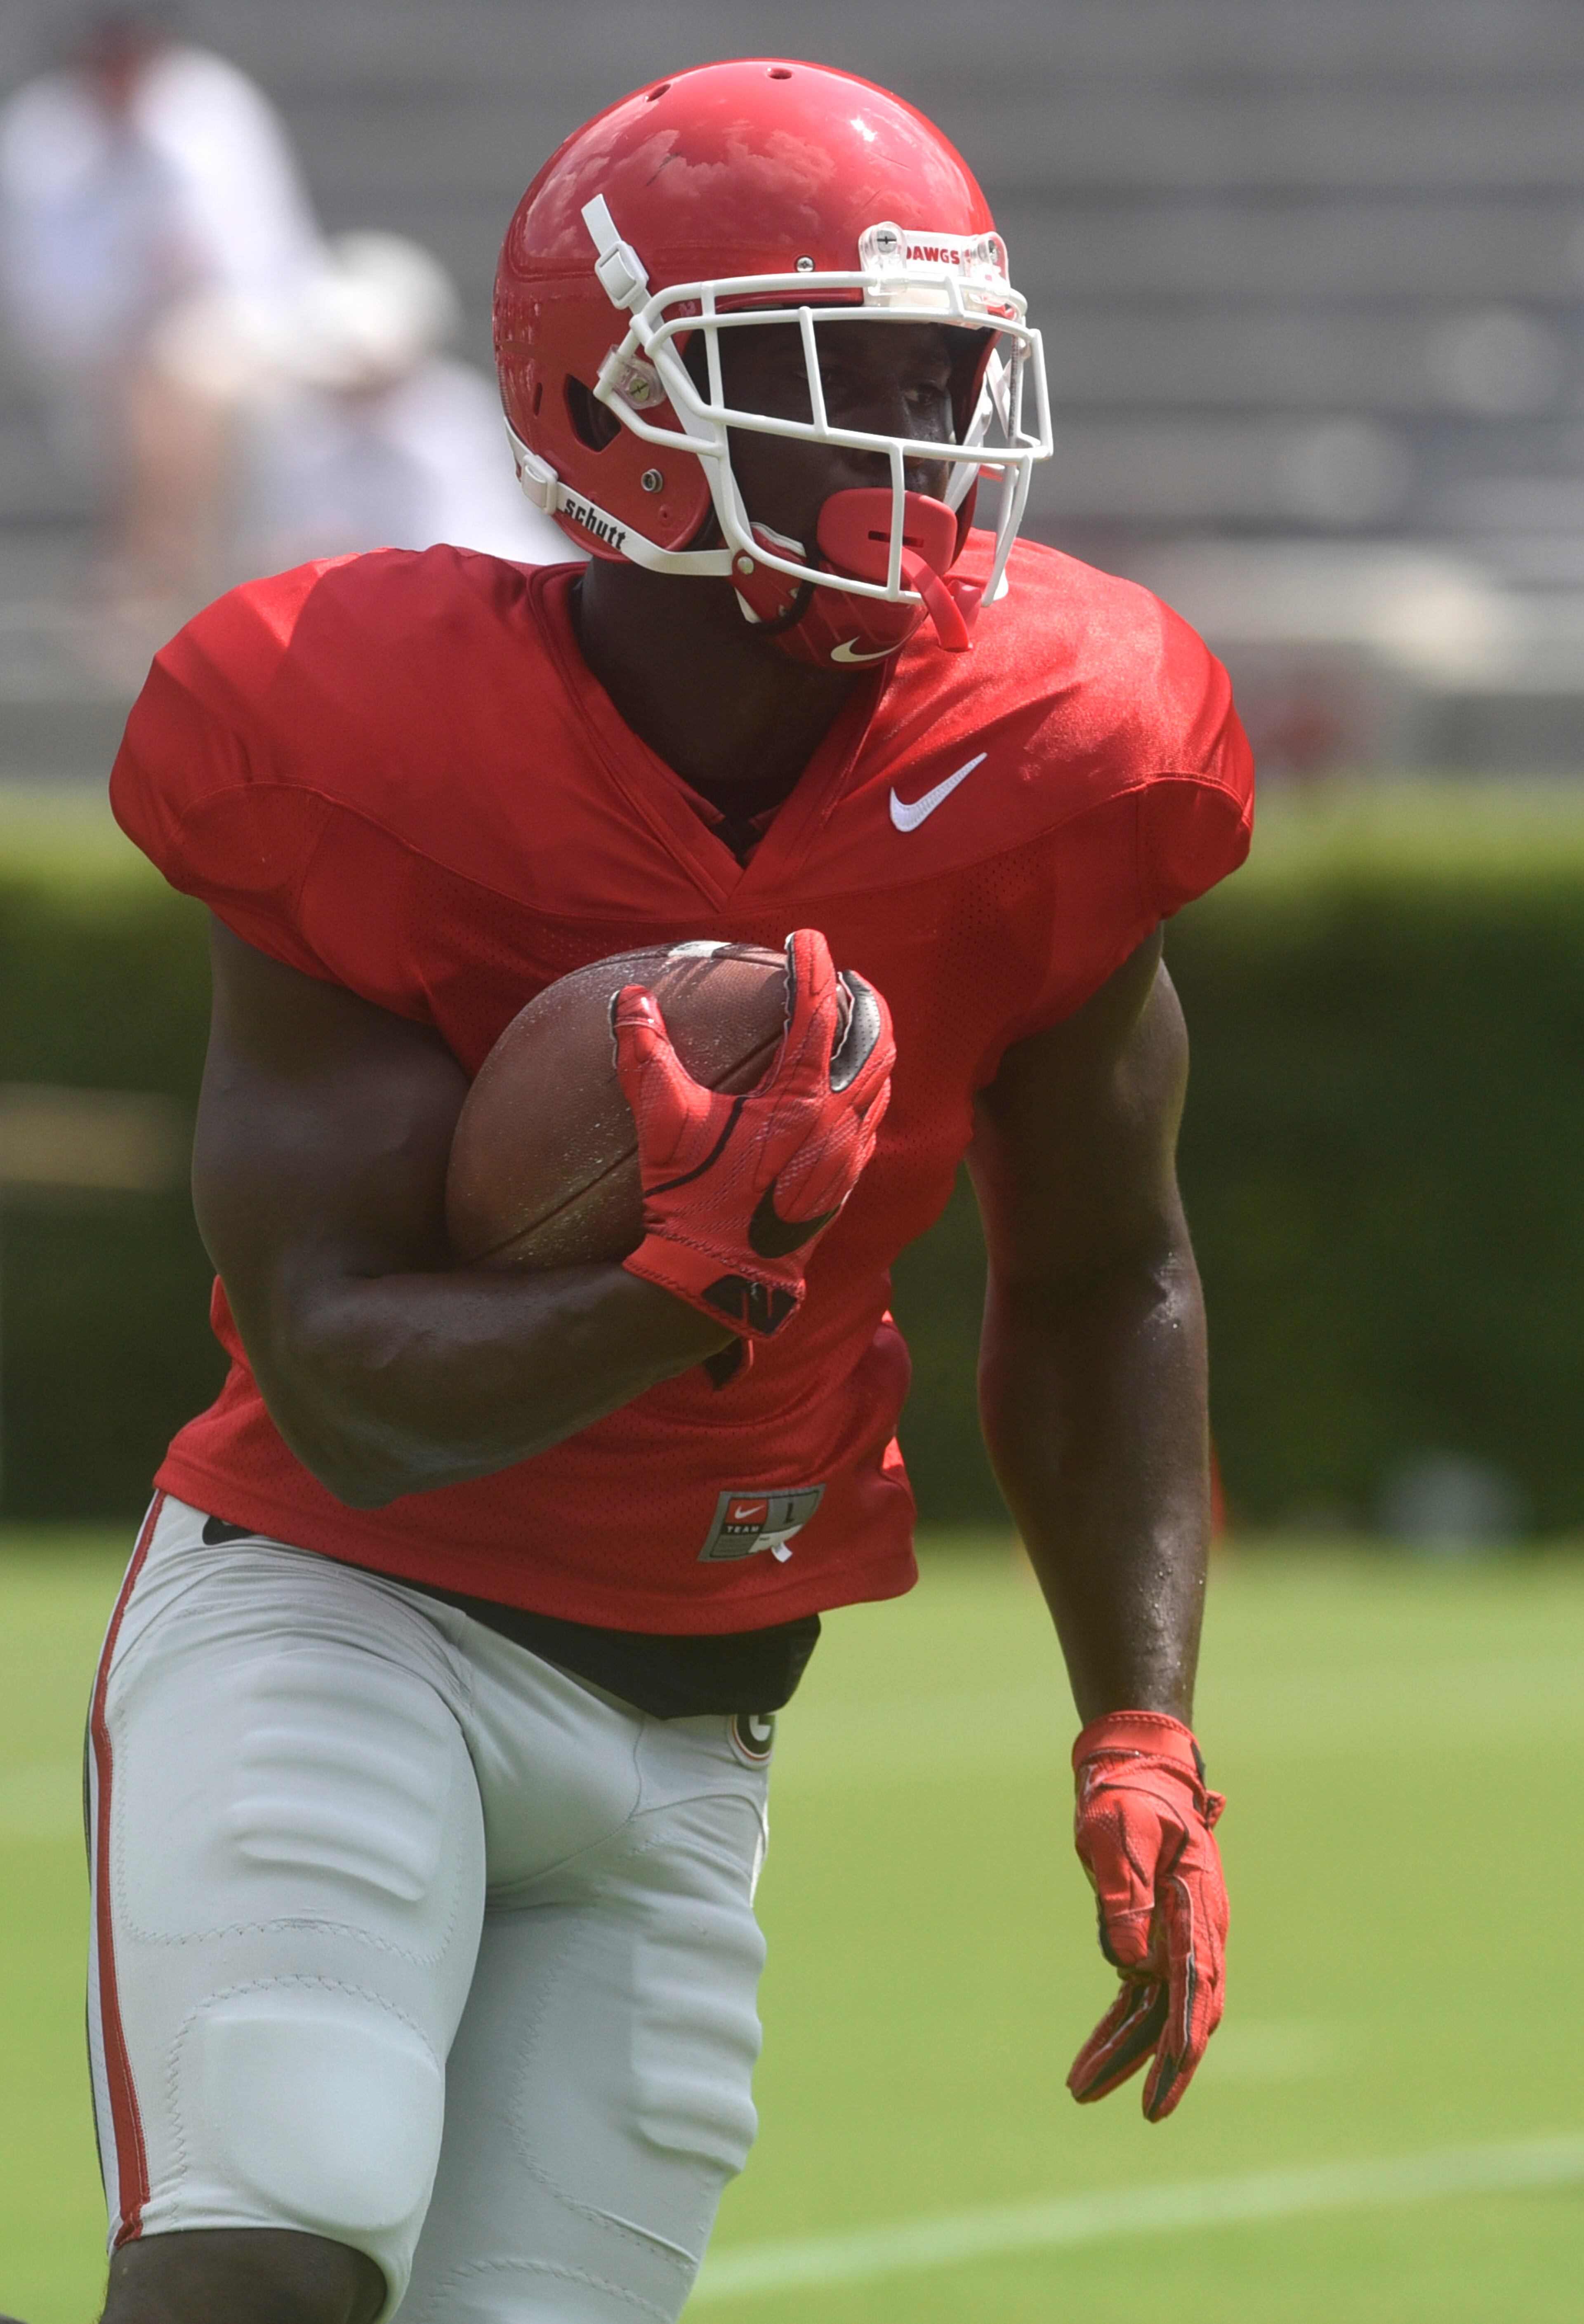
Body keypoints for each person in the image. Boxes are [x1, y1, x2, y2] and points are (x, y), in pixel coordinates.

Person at [96, 58, 1250, 2324]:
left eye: (952, 372)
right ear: (615, 408)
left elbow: (1115, 1271)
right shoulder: (347, 720)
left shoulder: (1063, 739)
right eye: (846, 372)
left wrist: (1141, 1722)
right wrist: (679, 1279)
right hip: (346, 1621)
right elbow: (343, 1383)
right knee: (274, 2254)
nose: (927, 442)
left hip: (703, 1715)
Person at [0, 7, 318, 609]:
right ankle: (166, 574)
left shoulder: (214, 108)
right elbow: (40, 293)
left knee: (181, 381)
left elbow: (261, 256)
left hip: (228, 324)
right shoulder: (39, 137)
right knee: (161, 387)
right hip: (92, 353)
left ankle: (149, 572)